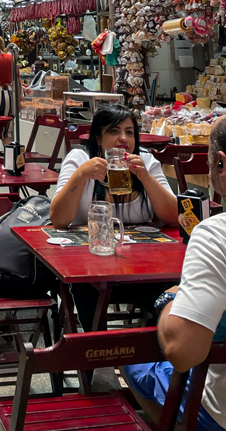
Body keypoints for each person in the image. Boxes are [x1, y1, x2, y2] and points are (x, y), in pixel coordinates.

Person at [125, 112, 226, 431]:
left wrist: (167, 301)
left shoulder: (218, 235)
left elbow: (182, 353)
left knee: (134, 360)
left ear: (220, 165)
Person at [50, 105, 178, 330]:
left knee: (172, 289)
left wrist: (146, 178)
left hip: (142, 266)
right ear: (98, 138)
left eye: (129, 132)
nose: (123, 138)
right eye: (114, 131)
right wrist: (81, 175)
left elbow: (173, 218)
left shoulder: (145, 161)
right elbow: (59, 220)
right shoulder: (80, 158)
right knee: (86, 288)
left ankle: (157, 352)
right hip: (90, 266)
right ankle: (99, 353)